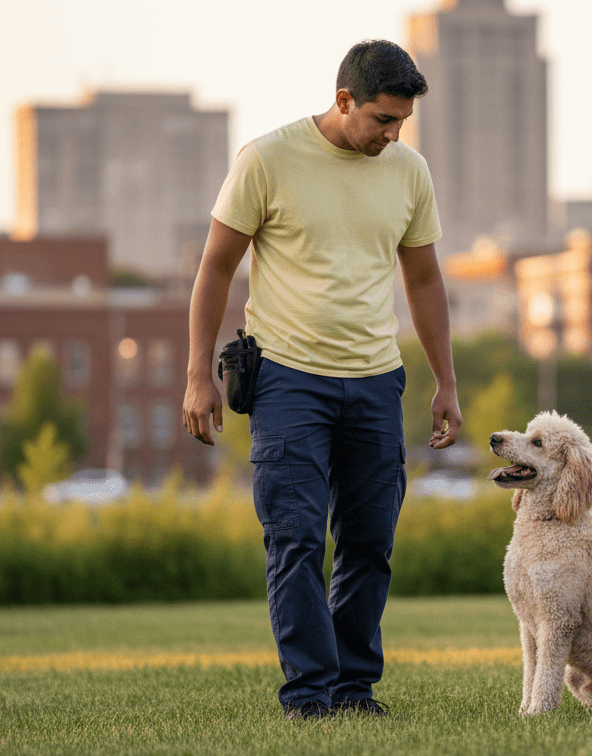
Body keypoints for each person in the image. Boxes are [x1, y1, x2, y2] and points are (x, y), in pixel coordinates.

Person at [182, 40, 461, 721]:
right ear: (344, 100)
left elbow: (422, 280)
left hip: (374, 383)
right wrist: (198, 375)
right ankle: (308, 694)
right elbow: (215, 267)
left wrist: (446, 382)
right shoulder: (266, 160)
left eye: (401, 123)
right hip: (286, 382)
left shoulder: (408, 172)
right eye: (382, 120)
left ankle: (353, 688)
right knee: (297, 536)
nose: (391, 135)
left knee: (370, 542)